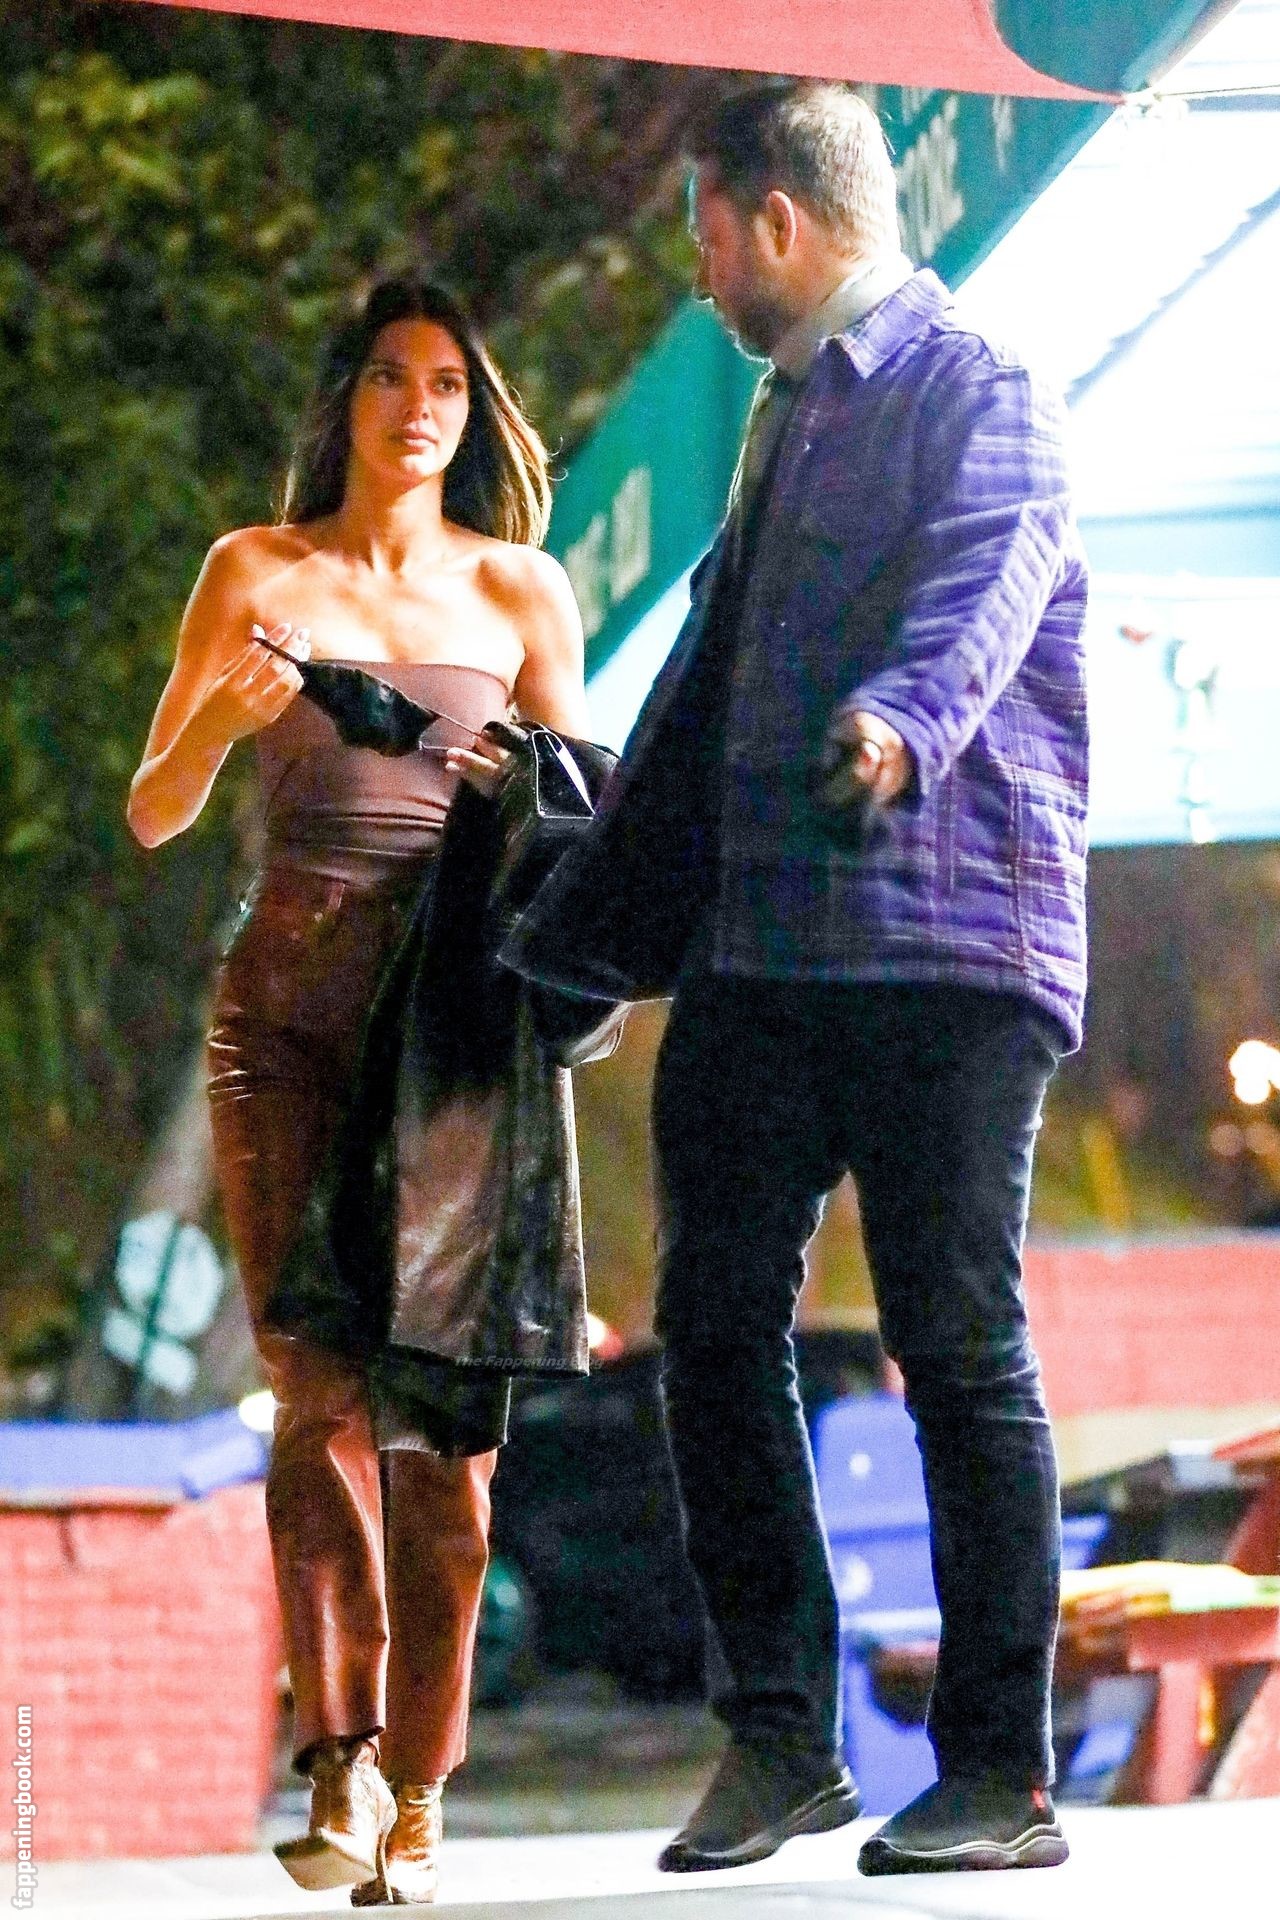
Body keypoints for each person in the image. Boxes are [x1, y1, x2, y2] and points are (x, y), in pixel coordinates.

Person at [504, 81, 1088, 1877]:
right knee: (709, 1333)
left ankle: (1000, 1777)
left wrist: (898, 730)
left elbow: (984, 589)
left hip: (947, 942)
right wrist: (581, 907)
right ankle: (780, 1739)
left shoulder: (977, 385)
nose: (698, 278)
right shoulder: (781, 424)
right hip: (765, 944)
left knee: (956, 1343)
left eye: (704, 235)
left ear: (777, 219)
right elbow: (701, 699)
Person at [128, 278, 589, 1905]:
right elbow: (154, 806)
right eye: (392, 377)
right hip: (287, 1020)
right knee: (316, 1393)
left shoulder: (520, 589)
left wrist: (522, 790)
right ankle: (339, 1765)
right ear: (350, 399)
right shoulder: (253, 571)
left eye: (448, 384)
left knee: (443, 1428)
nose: (419, 408)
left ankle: (424, 1787)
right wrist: (223, 721)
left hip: (455, 1032)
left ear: (474, 415)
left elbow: (582, 833)